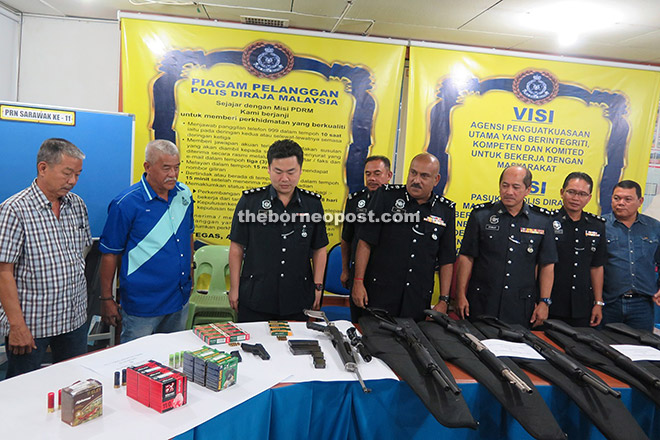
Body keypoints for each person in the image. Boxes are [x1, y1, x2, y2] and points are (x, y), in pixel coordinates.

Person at [0, 138, 92, 378]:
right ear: (43, 168)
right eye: (67, 173)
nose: (72, 181)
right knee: (24, 391)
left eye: (78, 175)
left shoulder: (77, 205)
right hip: (32, 325)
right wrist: (16, 326)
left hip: (74, 320)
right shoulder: (14, 210)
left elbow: (79, 255)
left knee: (75, 385)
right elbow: (3, 272)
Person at [99, 139, 194, 343]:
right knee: (136, 364)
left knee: (172, 360)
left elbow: (188, 235)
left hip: (179, 299)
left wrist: (190, 275)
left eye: (177, 167)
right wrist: (107, 298)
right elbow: (110, 254)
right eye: (166, 168)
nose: (173, 174)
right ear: (147, 167)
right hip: (142, 305)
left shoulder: (184, 194)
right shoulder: (125, 203)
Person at [228, 139, 328, 322]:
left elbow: (319, 249)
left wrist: (318, 287)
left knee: (295, 349)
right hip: (256, 296)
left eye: (291, 172)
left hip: (297, 296)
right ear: (268, 169)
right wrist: (234, 288)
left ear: (300, 170)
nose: (284, 179)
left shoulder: (312, 205)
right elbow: (236, 248)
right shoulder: (250, 202)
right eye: (278, 172)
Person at [351, 153, 456, 322]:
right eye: (413, 173)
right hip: (379, 294)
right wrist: (358, 281)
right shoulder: (386, 197)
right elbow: (365, 241)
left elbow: (446, 260)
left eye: (424, 176)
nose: (416, 180)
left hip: (416, 299)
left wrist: (443, 299)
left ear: (436, 180)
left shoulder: (445, 211)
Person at [456, 166, 557, 327]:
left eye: (516, 187)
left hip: (520, 306)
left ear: (528, 189)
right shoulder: (481, 215)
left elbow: (547, 264)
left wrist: (544, 302)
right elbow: (467, 257)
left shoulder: (542, 221)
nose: (509, 191)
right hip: (482, 301)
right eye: (505, 185)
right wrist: (460, 294)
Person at [549, 172, 607, 327]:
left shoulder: (597, 226)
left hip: (582, 306)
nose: (576, 198)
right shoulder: (548, 222)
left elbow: (596, 266)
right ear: (562, 192)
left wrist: (598, 302)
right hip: (551, 303)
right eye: (571, 192)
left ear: (589, 197)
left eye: (582, 194)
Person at [602, 180, 660, 331]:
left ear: (640, 201)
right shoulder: (600, 226)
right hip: (608, 302)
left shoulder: (654, 227)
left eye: (627, 199)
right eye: (616, 198)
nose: (621, 203)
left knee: (641, 350)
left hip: (643, 304)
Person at [340, 155, 393, 322]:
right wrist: (345, 269)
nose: (372, 178)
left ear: (389, 175)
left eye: (377, 173)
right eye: (368, 174)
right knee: (359, 320)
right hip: (359, 273)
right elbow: (346, 238)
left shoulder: (398, 204)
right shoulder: (355, 201)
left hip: (386, 275)